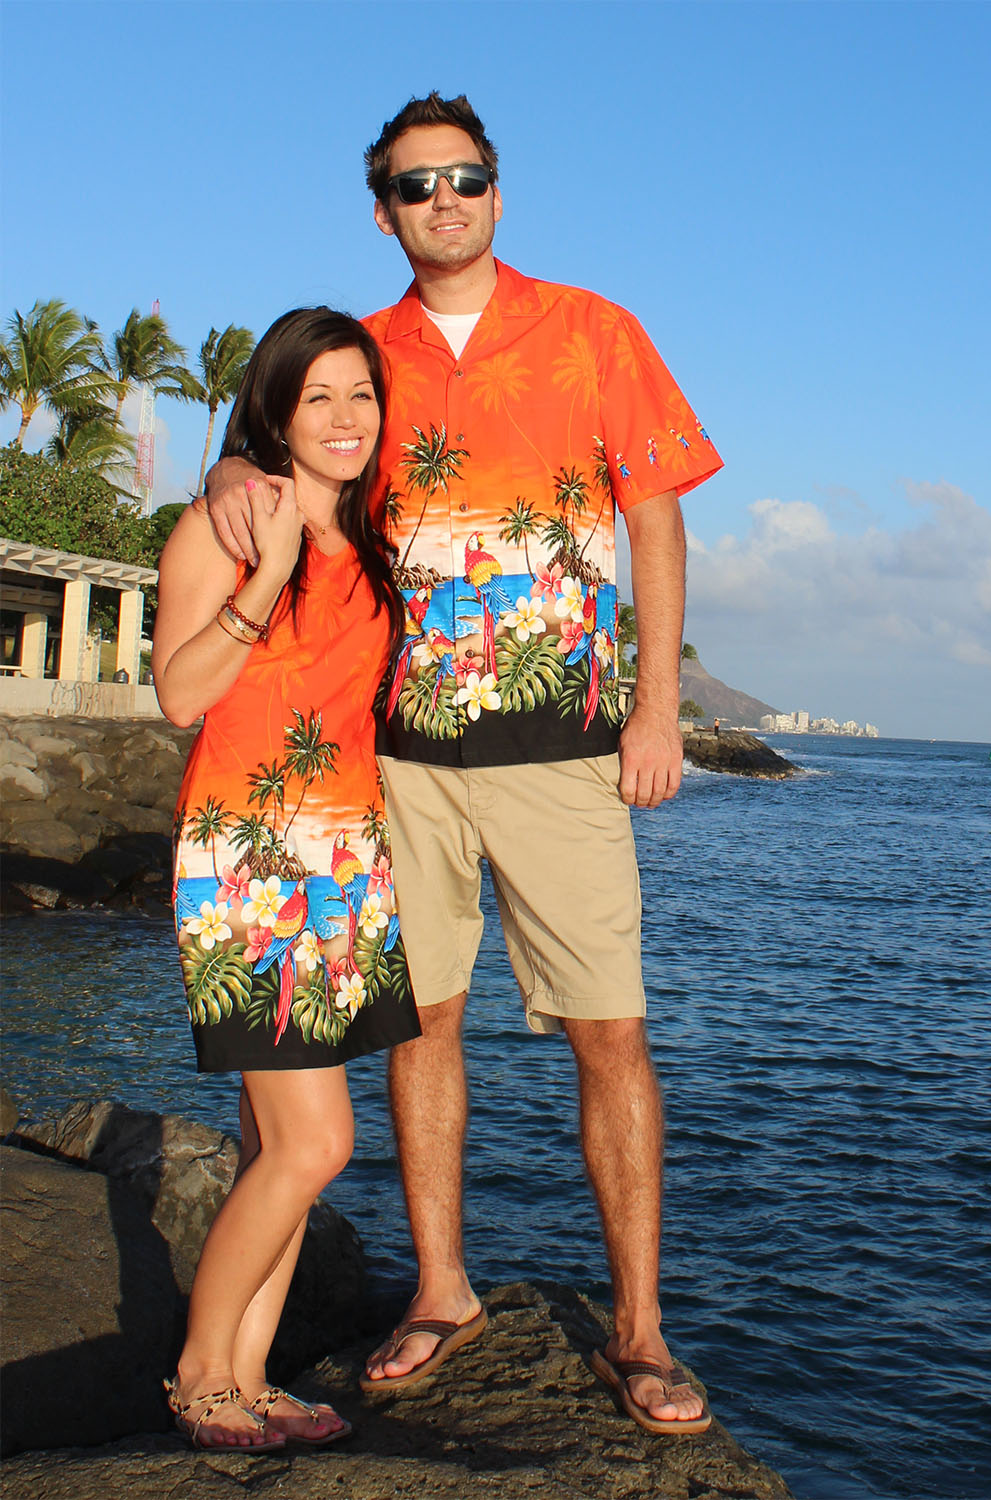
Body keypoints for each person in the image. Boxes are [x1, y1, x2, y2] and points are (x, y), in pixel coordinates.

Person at [205, 93, 723, 1436]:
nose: (446, 199)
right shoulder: (358, 353)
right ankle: (442, 1290)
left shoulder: (594, 331)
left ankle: (641, 1331)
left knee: (609, 1032)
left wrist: (655, 706)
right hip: (394, 753)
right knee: (424, 1023)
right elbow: (267, 449)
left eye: (467, 178)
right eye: (416, 184)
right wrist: (219, 479)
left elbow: (654, 519)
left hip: (563, 748)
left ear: (499, 191)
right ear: (382, 208)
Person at [153, 307, 420, 1450]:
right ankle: (200, 1377)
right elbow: (177, 693)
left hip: (344, 867)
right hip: (246, 864)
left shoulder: (374, 540)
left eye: (361, 394)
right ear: (273, 410)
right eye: (318, 397)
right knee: (320, 1145)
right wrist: (264, 575)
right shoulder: (227, 522)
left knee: (280, 1149)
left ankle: (250, 1375)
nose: (346, 418)